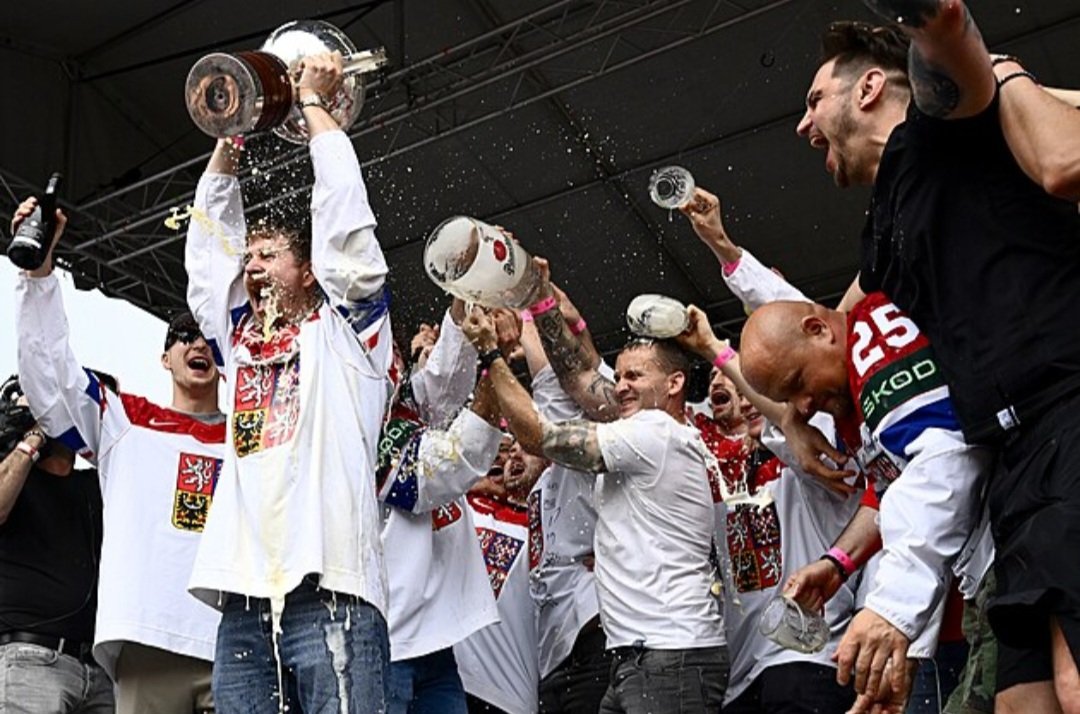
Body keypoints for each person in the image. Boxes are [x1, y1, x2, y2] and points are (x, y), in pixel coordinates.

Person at [787, 9, 1080, 711]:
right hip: (1011, 464)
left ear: (867, 90)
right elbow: (804, 330)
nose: (803, 126)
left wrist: (929, 22)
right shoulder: (881, 242)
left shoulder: (946, 126)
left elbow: (948, 34)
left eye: (813, 100)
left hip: (1071, 408)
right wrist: (796, 423)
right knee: (1025, 704)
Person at [184, 51, 393, 712]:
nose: (252, 265)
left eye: (269, 254)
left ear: (309, 272)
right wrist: (236, 128)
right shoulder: (239, 344)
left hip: (333, 587)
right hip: (244, 596)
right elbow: (207, 251)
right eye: (251, 256)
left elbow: (347, 231)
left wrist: (312, 108)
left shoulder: (350, 337)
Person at [462, 272, 728, 713]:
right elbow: (578, 371)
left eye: (635, 376)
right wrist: (539, 299)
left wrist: (491, 355)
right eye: (619, 375)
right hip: (637, 654)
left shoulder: (656, 432)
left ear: (675, 384)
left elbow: (539, 436)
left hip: (671, 652)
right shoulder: (638, 426)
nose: (620, 386)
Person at [13, 196, 225, 712]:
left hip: (239, 640)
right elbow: (51, 380)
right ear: (164, 357)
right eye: (182, 336)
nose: (197, 344)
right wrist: (38, 278)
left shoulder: (258, 432)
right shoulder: (124, 419)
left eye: (208, 336)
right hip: (149, 637)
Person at [737, 294, 990, 713]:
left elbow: (941, 459)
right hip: (964, 599)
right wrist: (838, 562)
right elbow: (891, 487)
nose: (802, 408)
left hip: (1013, 561)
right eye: (789, 401)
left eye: (799, 382)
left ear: (818, 330)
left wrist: (892, 611)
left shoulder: (873, 337)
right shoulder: (850, 401)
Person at [380, 317, 507, 714]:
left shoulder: (408, 410)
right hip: (387, 644)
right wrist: (495, 364)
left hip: (433, 644)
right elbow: (448, 466)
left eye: (391, 351)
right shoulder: (362, 430)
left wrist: (466, 281)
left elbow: (449, 375)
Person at [0, 375, 112, 713]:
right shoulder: (14, 477)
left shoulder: (96, 485)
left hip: (99, 668)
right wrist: (35, 434)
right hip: (29, 660)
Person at [518, 306, 610, 714]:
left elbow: (551, 386)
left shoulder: (579, 458)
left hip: (593, 636)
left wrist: (526, 313)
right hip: (552, 655)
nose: (517, 444)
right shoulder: (537, 488)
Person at [455, 438, 542, 714]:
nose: (511, 453)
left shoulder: (548, 525)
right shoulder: (467, 505)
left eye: (520, 445)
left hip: (510, 696)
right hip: (448, 683)